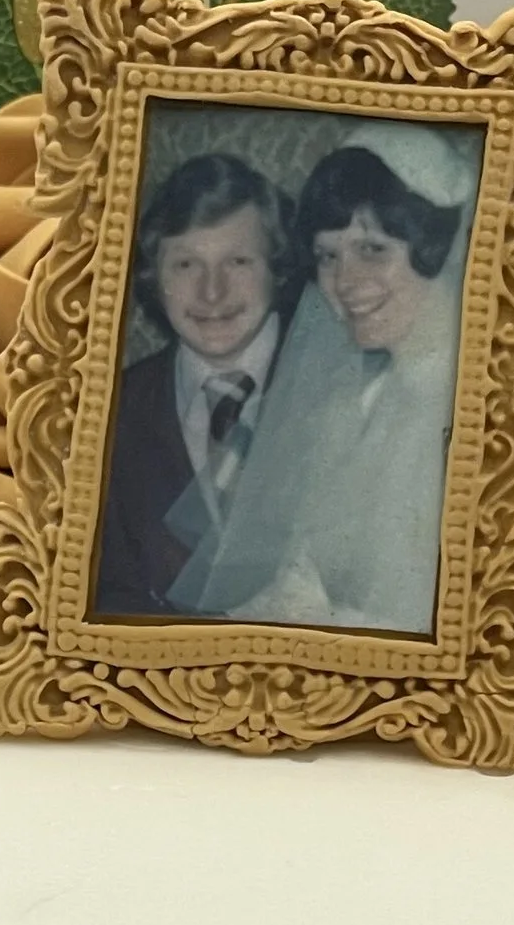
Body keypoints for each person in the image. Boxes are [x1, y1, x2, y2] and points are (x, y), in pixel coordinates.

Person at [170, 130, 471, 636]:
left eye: (372, 249)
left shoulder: (470, 409)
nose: (344, 281)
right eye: (328, 256)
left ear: (436, 245)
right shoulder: (351, 404)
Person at [92, 149, 318, 620]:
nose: (212, 292)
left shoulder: (337, 386)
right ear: (154, 276)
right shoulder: (110, 408)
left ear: (277, 267)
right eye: (186, 265)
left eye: (238, 261)